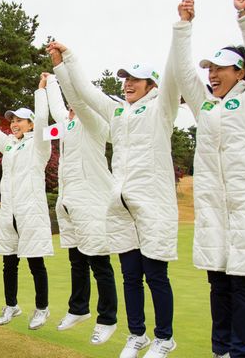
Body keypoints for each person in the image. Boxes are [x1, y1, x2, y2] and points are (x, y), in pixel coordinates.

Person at [171, 0, 245, 358]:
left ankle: (242, 353)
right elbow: (182, 71)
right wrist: (184, 26)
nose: (212, 73)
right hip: (213, 211)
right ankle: (220, 350)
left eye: (220, 68)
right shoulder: (205, 105)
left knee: (243, 287)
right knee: (217, 285)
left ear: (240, 71)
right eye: (210, 68)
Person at [48, 38, 180, 358]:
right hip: (120, 206)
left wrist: (181, 28)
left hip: (153, 204)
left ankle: (164, 338)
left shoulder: (162, 107)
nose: (128, 84)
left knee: (155, 276)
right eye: (125, 79)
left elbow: (176, 75)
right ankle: (137, 335)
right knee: (131, 276)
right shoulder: (117, 110)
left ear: (151, 85)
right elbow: (84, 93)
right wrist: (63, 61)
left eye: (135, 79)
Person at [43, 71, 119, 344]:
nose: (73, 106)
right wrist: (51, 81)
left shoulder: (94, 122)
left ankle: (107, 319)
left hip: (92, 200)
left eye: (77, 101)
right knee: (76, 260)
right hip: (69, 201)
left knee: (99, 261)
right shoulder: (68, 124)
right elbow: (58, 109)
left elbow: (81, 102)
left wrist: (65, 74)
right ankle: (79, 309)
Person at [0, 77, 53, 330]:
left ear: (31, 123)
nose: (13, 124)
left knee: (35, 262)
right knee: (9, 263)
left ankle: (42, 309)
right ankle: (12, 305)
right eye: (11, 120)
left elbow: (44, 122)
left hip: (31, 212)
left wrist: (41, 92)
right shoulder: (9, 145)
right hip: (9, 212)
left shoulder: (40, 144)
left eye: (19, 120)